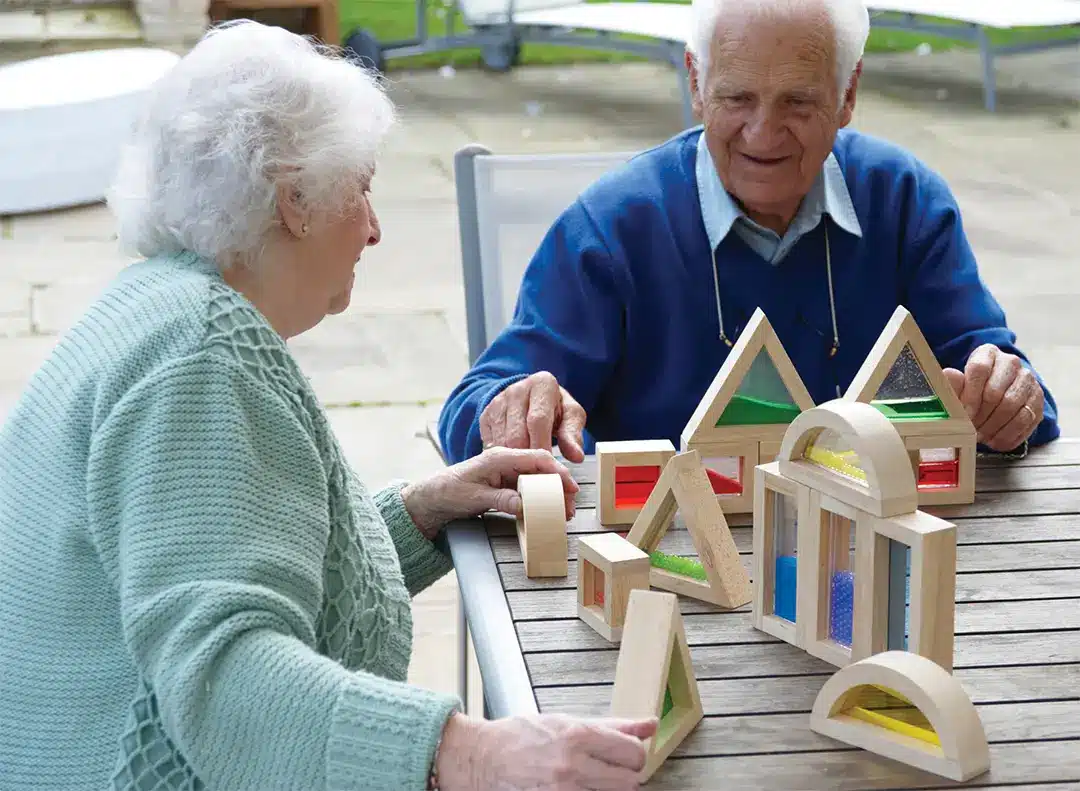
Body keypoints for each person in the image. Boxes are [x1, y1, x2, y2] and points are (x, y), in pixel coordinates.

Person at [0, 21, 657, 791]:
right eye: (363, 187)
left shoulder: (156, 305)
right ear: (295, 201)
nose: (376, 229)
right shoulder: (202, 353)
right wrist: (473, 753)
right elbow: (224, 674)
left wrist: (422, 511)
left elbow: (238, 553)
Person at [437, 0, 1060, 466]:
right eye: (737, 98)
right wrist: (512, 411)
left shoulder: (904, 201)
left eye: (797, 103)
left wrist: (1009, 402)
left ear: (848, 95)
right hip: (670, 570)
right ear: (696, 83)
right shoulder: (612, 228)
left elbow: (1014, 391)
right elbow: (471, 408)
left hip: (869, 564)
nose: (762, 135)